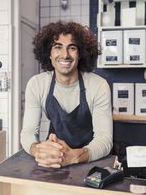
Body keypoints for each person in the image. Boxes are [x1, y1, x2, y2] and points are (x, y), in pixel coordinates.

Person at [20, 21, 113, 168]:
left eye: (72, 48)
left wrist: (73, 156)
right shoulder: (37, 84)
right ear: (48, 54)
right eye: (58, 47)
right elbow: (28, 133)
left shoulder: (98, 86)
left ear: (80, 53)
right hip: (53, 160)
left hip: (91, 160)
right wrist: (39, 151)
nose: (65, 54)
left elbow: (104, 139)